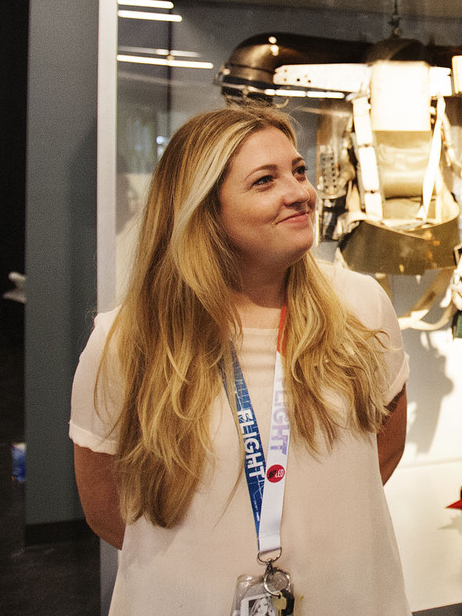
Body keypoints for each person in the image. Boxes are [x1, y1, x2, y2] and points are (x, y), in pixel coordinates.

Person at [70, 105, 410, 614]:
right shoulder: (127, 340)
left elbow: (382, 449)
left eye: (298, 171)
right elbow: (105, 504)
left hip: (351, 596)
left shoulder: (361, 307)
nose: (301, 192)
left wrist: (316, 539)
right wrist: (201, 558)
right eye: (265, 181)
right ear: (204, 210)